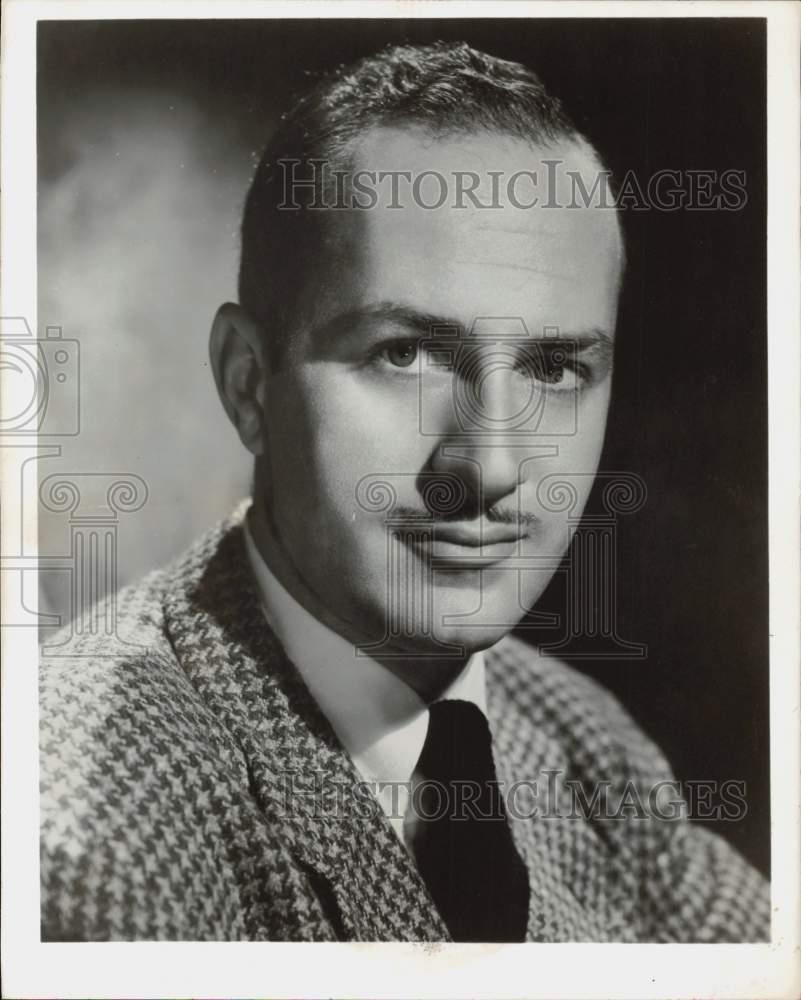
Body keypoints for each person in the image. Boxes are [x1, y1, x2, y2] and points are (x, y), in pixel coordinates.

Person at [39, 41, 769, 942]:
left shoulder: (578, 741)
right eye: (405, 355)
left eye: (552, 365)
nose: (492, 465)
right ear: (248, 383)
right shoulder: (82, 823)